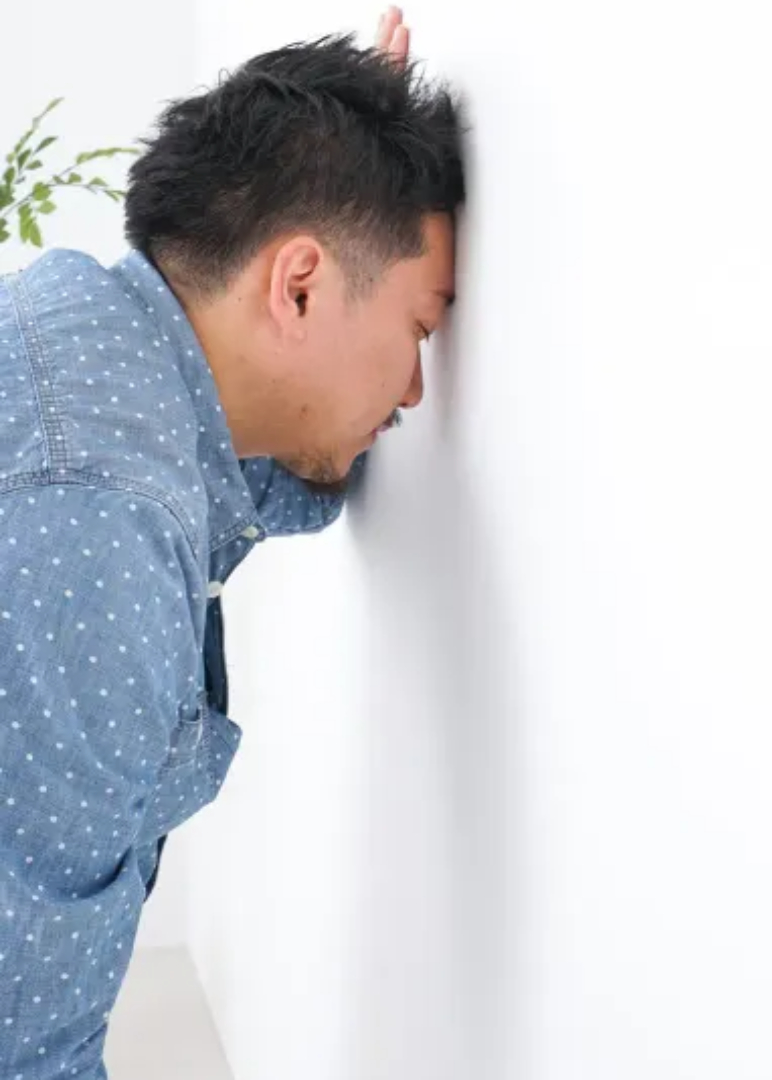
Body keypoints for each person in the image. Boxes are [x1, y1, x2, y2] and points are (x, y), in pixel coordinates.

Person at [0, 8, 463, 1076]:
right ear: (298, 285)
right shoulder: (99, 521)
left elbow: (265, 481)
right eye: (417, 328)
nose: (413, 389)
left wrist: (354, 153)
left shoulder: (90, 336)